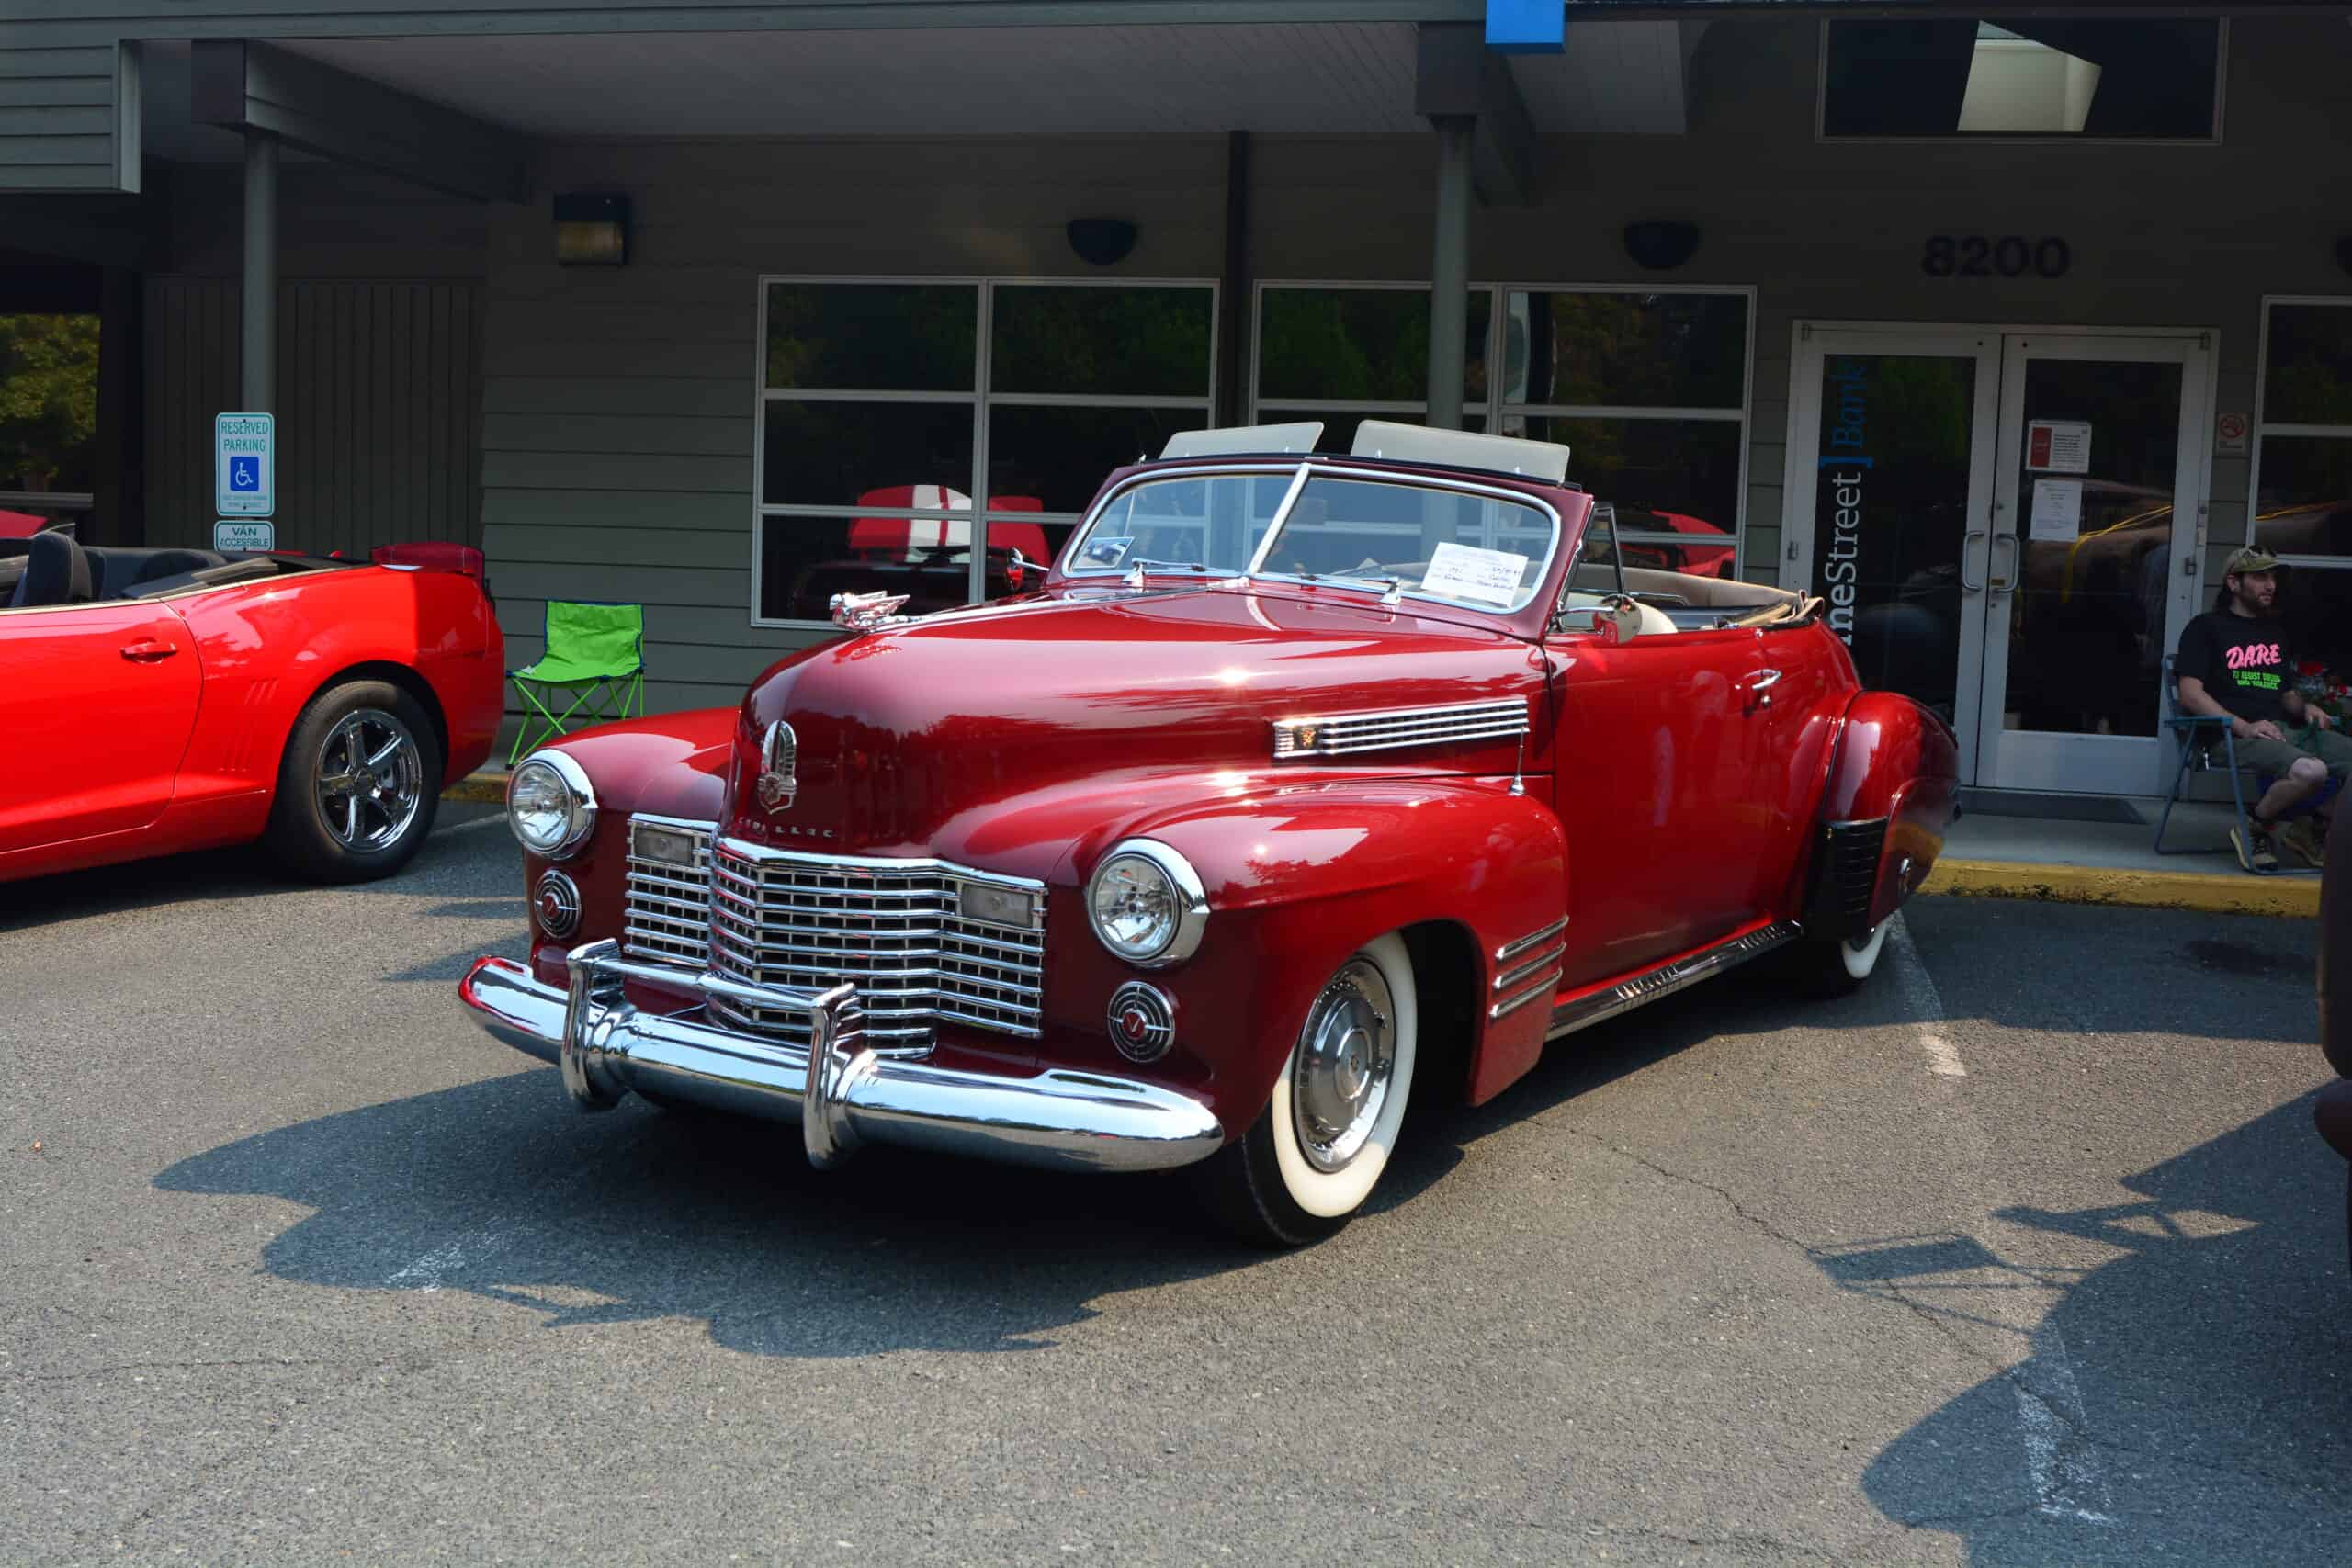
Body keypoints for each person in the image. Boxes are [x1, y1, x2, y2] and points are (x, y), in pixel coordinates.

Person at [2176, 548, 2352, 870]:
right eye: (2259, 577)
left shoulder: (2274, 632)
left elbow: (2284, 694)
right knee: (2311, 771)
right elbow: (2190, 694)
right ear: (2233, 582)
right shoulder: (2205, 628)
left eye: (2272, 577)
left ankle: (2310, 827)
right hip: (2230, 737)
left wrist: (2307, 707)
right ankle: (2255, 826)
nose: (2270, 585)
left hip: (2284, 731)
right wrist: (2244, 726)